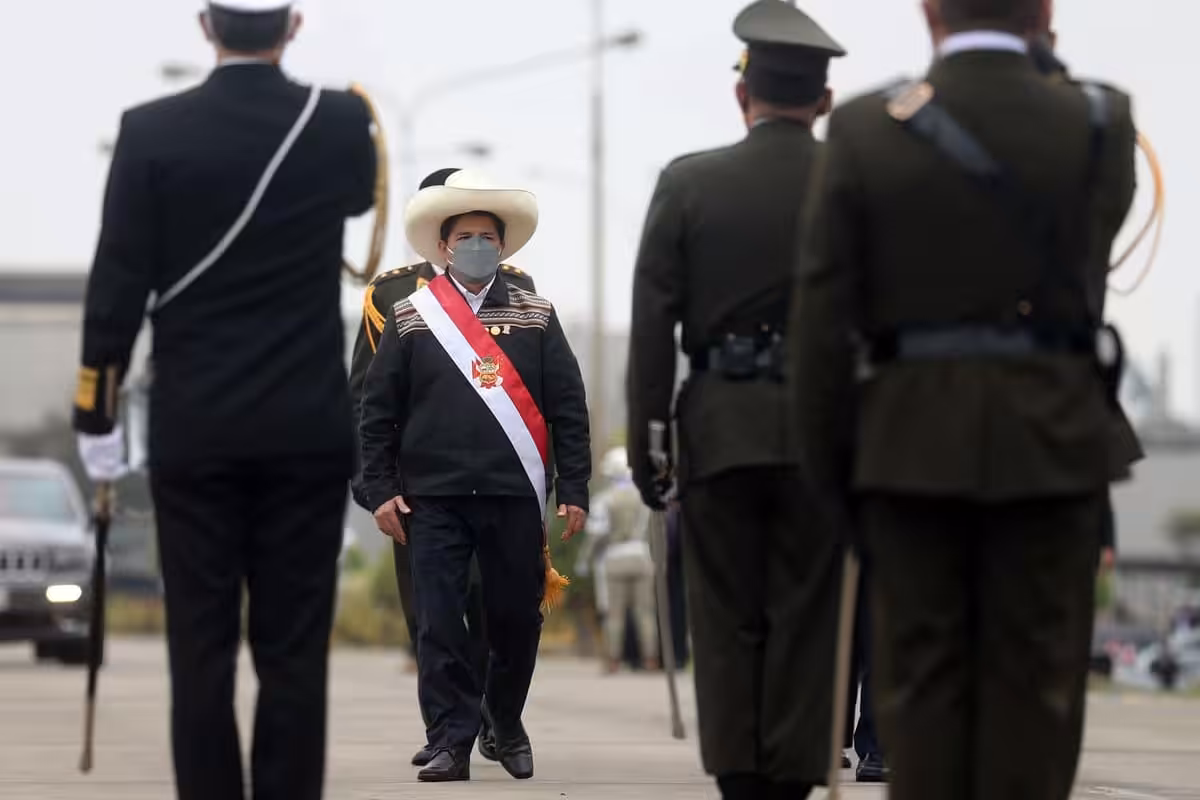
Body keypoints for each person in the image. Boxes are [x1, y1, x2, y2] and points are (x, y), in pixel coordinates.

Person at [787, 0, 1143, 798]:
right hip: (1053, 444)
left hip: (908, 452)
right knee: (1040, 697)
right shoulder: (1100, 121)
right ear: (1045, 14)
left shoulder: (866, 131)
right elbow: (1090, 251)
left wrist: (836, 477)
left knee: (919, 696)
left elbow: (821, 328)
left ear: (928, 11)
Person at [71, 2, 376, 799]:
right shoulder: (341, 121)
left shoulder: (148, 132)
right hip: (305, 431)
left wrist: (95, 412)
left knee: (199, 655)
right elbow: (354, 201)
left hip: (196, 430)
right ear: (294, 25)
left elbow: (117, 284)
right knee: (293, 658)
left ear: (205, 25)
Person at [626, 2, 846, 797]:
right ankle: (790, 780)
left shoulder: (688, 183)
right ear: (823, 100)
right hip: (827, 432)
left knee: (725, 616)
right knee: (808, 615)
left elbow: (653, 325)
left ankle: (741, 782)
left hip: (719, 428)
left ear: (741, 94)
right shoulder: (850, 180)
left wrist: (652, 442)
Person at [359, 169, 591, 783]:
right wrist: (380, 488)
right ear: (443, 247)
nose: (477, 246)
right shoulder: (409, 316)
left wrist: (575, 487)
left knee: (516, 618)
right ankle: (449, 740)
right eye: (465, 237)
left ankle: (505, 721)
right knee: (438, 621)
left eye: (487, 237)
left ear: (503, 245)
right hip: (431, 498)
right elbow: (375, 409)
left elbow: (567, 404)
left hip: (513, 493)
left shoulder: (537, 315)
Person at [577, 447, 658, 674]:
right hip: (641, 556)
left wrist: (585, 558)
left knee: (615, 614)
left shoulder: (605, 500)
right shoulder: (644, 498)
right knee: (645, 612)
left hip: (615, 558)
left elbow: (596, 534)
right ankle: (650, 659)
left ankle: (613, 660)